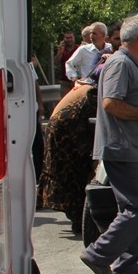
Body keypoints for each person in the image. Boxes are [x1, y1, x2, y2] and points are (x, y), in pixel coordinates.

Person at [79, 14, 138, 274]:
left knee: (131, 206)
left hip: (131, 148)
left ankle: (127, 265)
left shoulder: (129, 63)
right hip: (122, 148)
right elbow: (110, 104)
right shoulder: (119, 64)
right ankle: (98, 254)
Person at [40, 82, 99, 233]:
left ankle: (78, 217)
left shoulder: (91, 89)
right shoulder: (93, 94)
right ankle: (78, 218)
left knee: (73, 172)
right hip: (65, 130)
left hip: (66, 127)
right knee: (72, 174)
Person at [55, 30, 77, 96]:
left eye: (71, 37)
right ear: (64, 39)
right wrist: (60, 52)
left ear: (74, 38)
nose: (69, 40)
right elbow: (56, 62)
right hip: (64, 81)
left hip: (76, 80)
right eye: (67, 38)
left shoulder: (79, 48)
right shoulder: (61, 49)